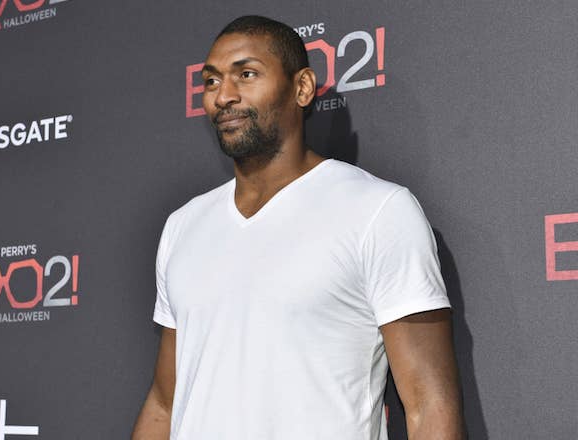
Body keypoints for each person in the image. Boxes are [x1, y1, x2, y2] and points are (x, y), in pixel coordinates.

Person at [132, 15, 464, 440]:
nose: (223, 96)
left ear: (302, 88)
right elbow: (164, 402)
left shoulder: (378, 211)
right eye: (211, 81)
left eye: (246, 75)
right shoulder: (183, 226)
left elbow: (429, 405)